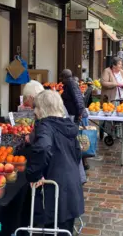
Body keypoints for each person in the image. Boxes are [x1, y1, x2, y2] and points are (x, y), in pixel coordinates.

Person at [26, 90, 84, 234]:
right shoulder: (67, 124)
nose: (34, 111)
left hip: (56, 186)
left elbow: (43, 147)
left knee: (55, 229)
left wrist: (33, 174)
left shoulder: (45, 125)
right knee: (65, 228)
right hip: (71, 182)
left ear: (42, 108)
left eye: (36, 107)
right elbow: (77, 153)